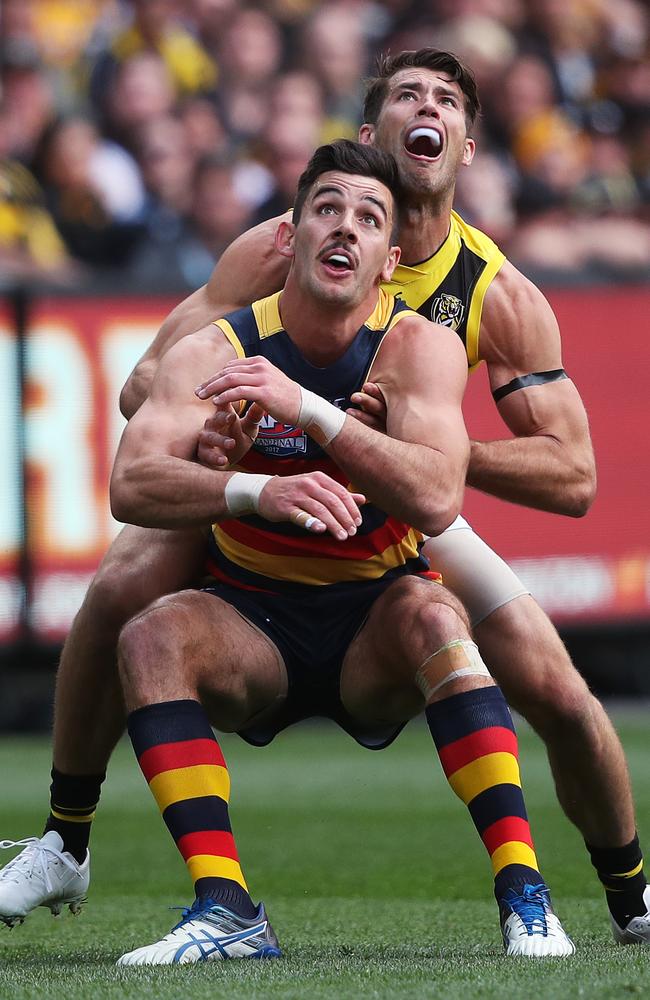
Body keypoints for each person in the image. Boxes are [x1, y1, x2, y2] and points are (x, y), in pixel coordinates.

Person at [1, 50, 648, 948]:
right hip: (268, 488)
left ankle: (631, 899)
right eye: (407, 96)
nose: (428, 109)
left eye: (448, 100)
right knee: (120, 591)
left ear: (465, 146)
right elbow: (144, 387)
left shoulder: (492, 290)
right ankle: (65, 841)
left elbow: (574, 477)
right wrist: (214, 435)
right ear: (369, 133)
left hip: (401, 506)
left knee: (559, 690)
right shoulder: (286, 242)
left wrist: (422, 448)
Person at [110, 140, 571, 962]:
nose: (345, 229)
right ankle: (224, 910)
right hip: (251, 618)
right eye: (327, 208)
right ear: (290, 235)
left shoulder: (419, 345)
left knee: (440, 611)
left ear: (389, 262)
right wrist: (250, 488)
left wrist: (311, 413)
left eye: (368, 218)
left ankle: (525, 896)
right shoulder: (215, 348)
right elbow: (132, 483)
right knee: (146, 630)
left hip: (373, 620)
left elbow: (438, 498)